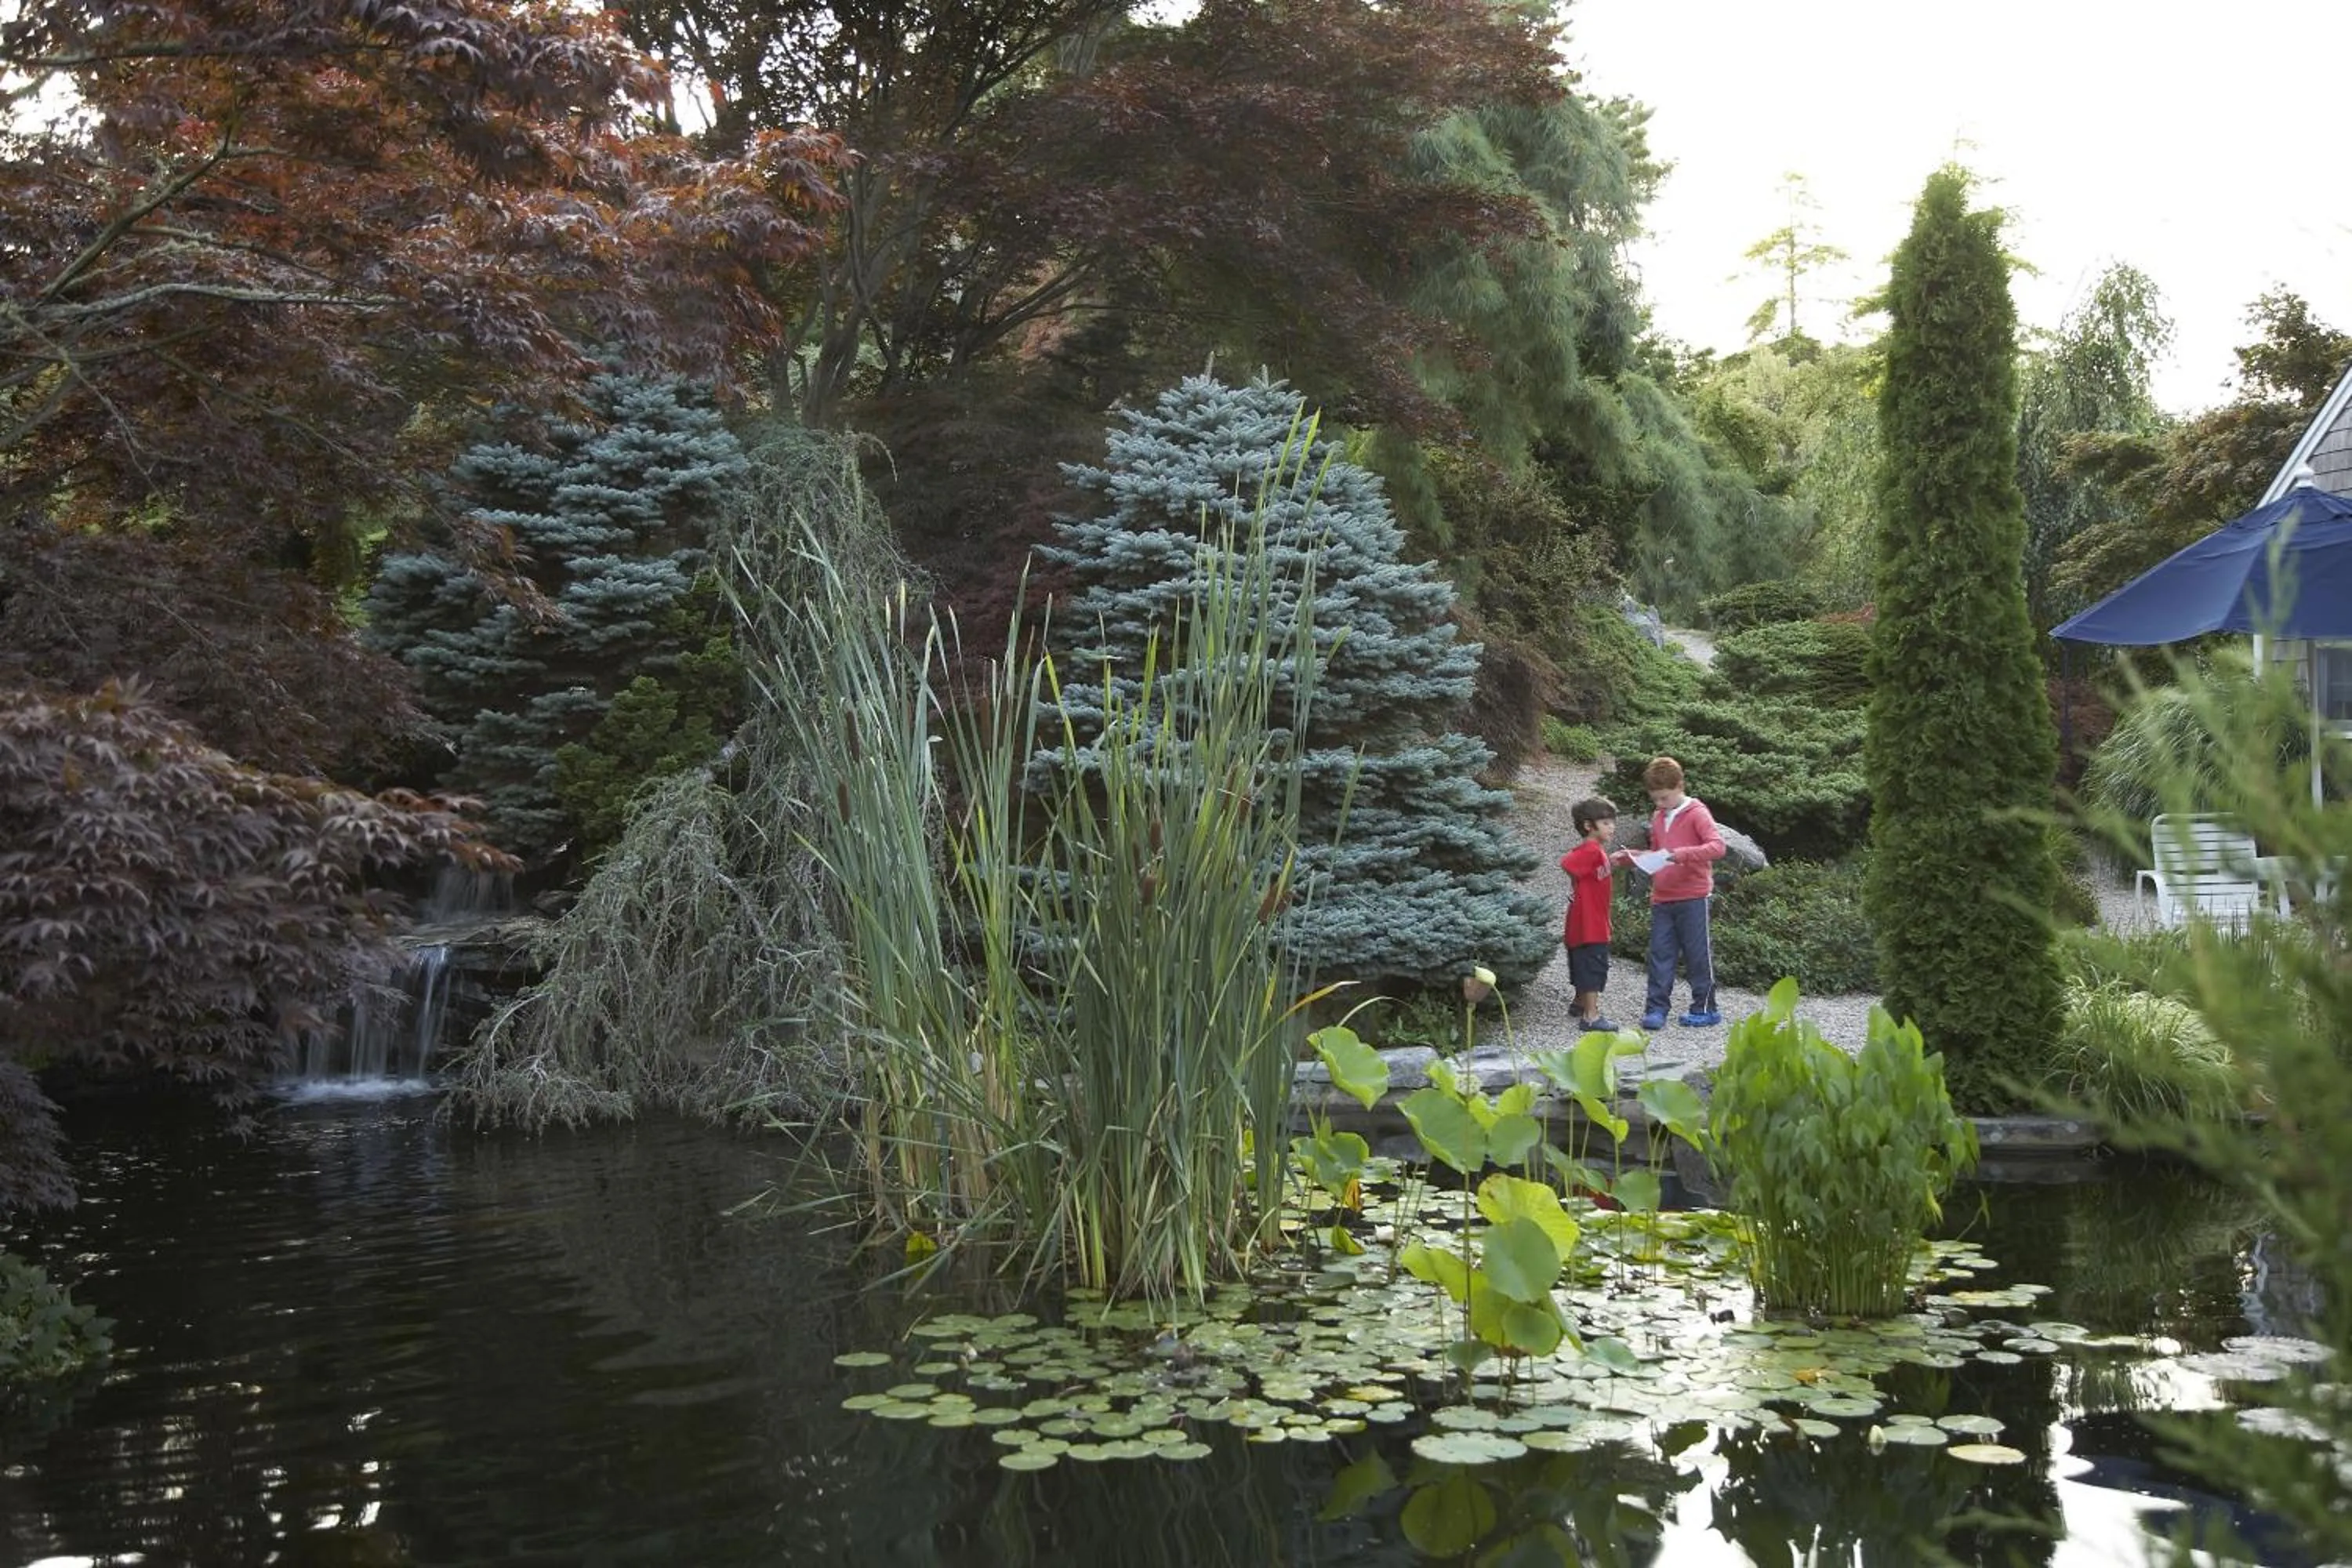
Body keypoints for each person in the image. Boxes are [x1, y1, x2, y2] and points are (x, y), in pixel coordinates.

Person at [1612, 755, 1726, 1030]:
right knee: (1660, 954)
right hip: (1662, 897)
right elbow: (1659, 854)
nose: (1660, 804)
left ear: (1680, 786)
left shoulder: (1697, 813)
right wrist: (1632, 857)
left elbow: (1717, 847)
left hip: (1693, 896)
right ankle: (1656, 1009)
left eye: (1664, 798)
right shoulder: (1658, 816)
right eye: (1656, 799)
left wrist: (1682, 855)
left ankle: (1705, 1007)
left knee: (1698, 954)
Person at [1558, 797, 1620, 1033]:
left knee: (1583, 963)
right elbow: (1568, 863)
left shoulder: (1597, 851)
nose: (1611, 827)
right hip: (1589, 922)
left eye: (1612, 822)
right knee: (1593, 966)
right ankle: (1591, 1016)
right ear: (1588, 826)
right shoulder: (1592, 849)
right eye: (1605, 823)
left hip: (1591, 918)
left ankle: (1579, 1002)